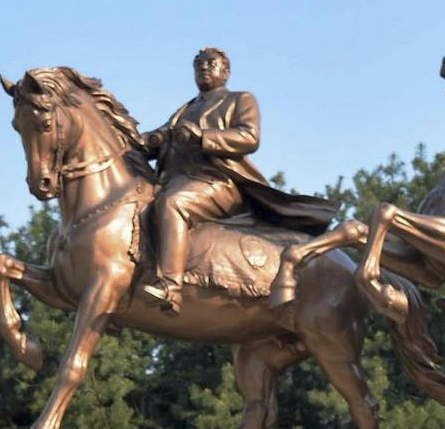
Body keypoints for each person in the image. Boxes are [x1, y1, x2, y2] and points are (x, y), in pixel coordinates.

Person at [139, 48, 337, 312]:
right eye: (198, 65)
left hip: (217, 183)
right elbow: (159, 138)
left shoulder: (239, 99)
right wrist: (146, 140)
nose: (204, 68)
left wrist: (202, 137)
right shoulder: (185, 109)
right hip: (176, 180)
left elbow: (249, 137)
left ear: (226, 71)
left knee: (172, 204)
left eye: (211, 64)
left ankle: (170, 286)